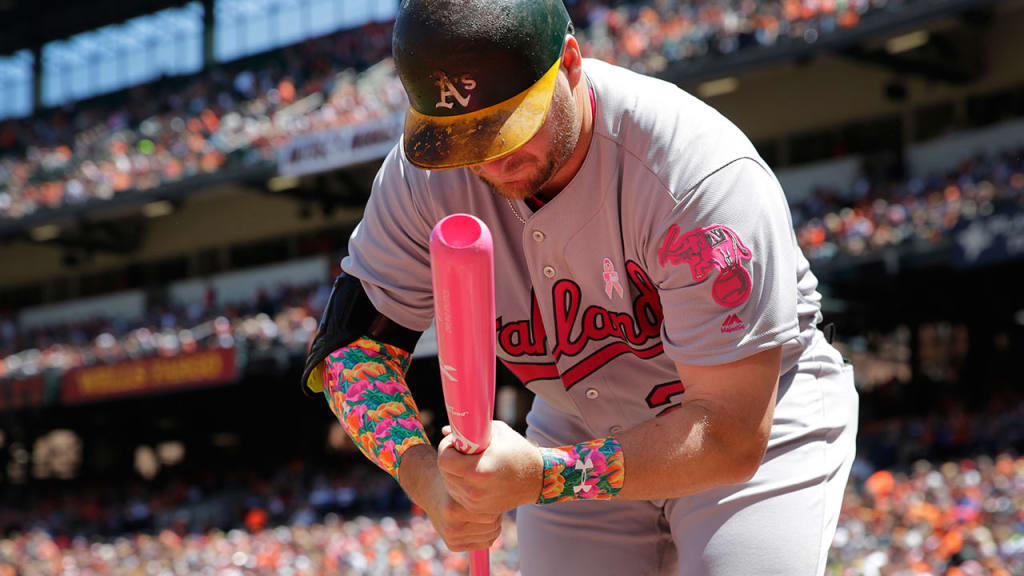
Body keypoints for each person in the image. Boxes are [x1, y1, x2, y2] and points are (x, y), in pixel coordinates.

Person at [300, 0, 859, 574]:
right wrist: (425, 476)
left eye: (507, 125)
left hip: (752, 422)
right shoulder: (420, 181)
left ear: (569, 61)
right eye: (463, 137)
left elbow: (730, 434)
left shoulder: (694, 172)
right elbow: (352, 348)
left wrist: (544, 475)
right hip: (574, 418)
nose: (491, 159)